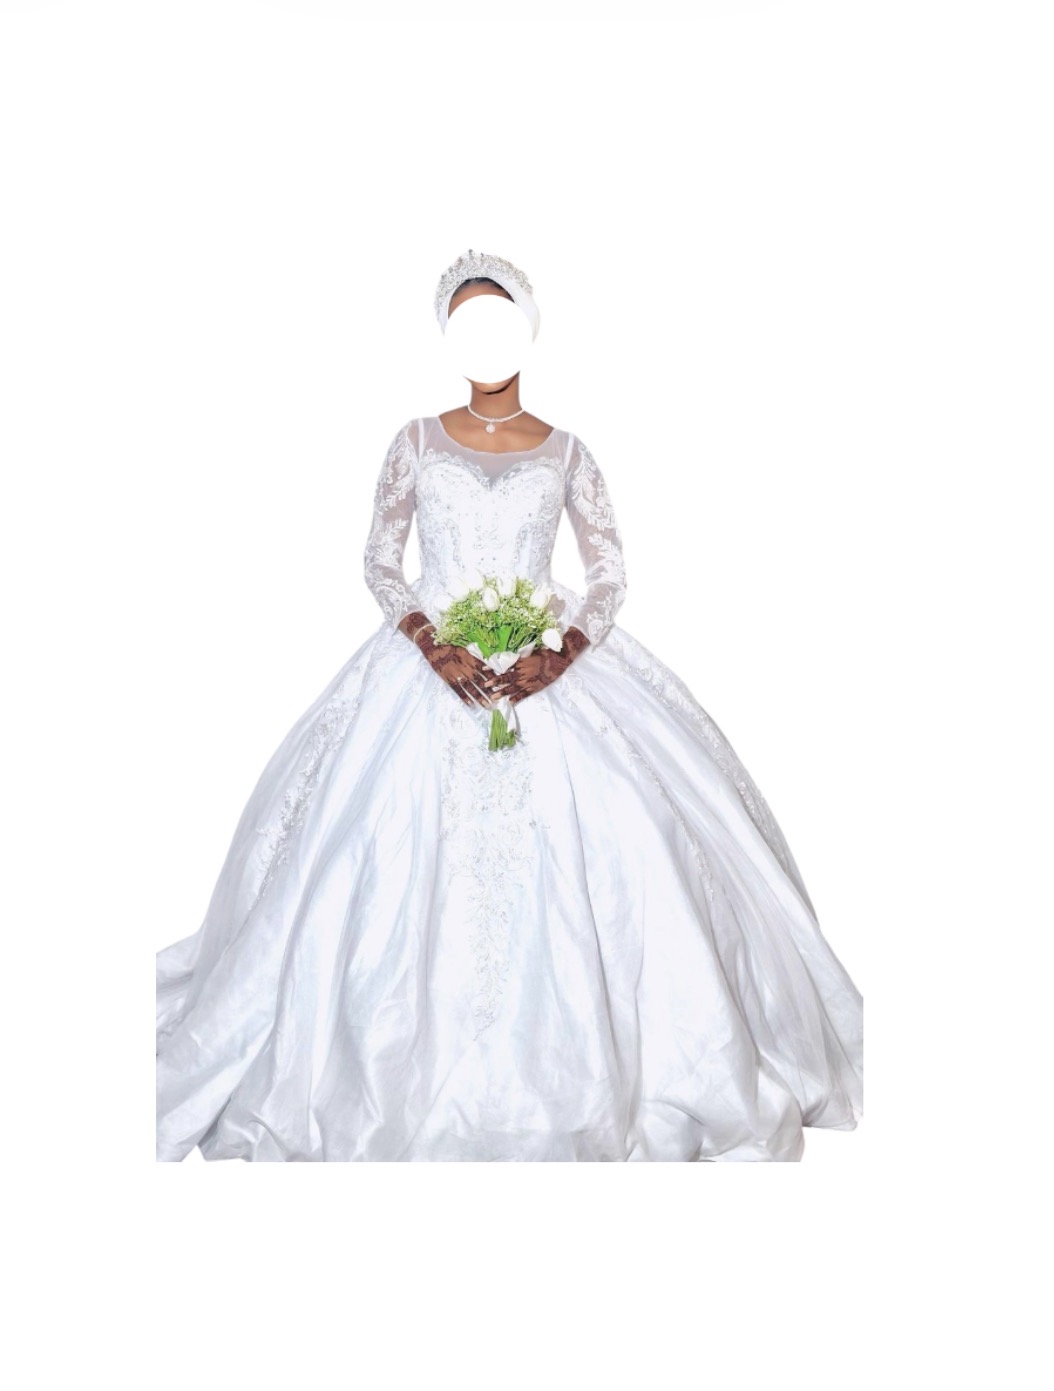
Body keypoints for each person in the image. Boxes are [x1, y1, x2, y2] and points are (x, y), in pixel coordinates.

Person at [156, 248, 864, 1162]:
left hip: (544, 658)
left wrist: (559, 653)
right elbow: (380, 560)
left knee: (631, 837)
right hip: (430, 666)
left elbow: (609, 572)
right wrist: (431, 641)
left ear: (528, 329)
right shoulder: (415, 440)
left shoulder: (568, 451)